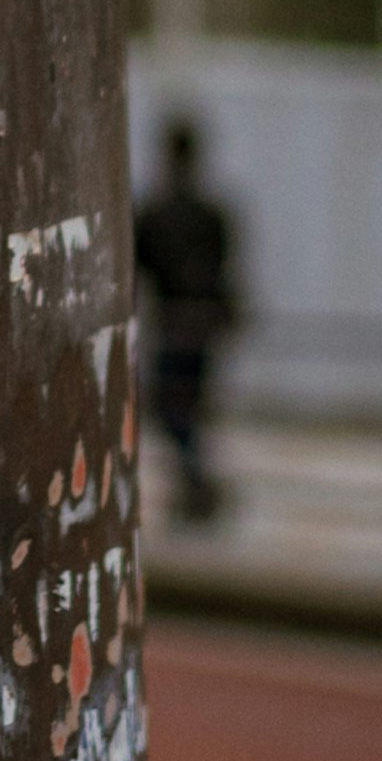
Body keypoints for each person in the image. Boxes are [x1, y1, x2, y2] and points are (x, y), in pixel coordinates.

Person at [135, 115, 240, 526]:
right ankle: (196, 485)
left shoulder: (158, 212)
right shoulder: (210, 212)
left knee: (173, 410)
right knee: (185, 411)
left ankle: (197, 484)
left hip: (176, 323)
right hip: (201, 324)